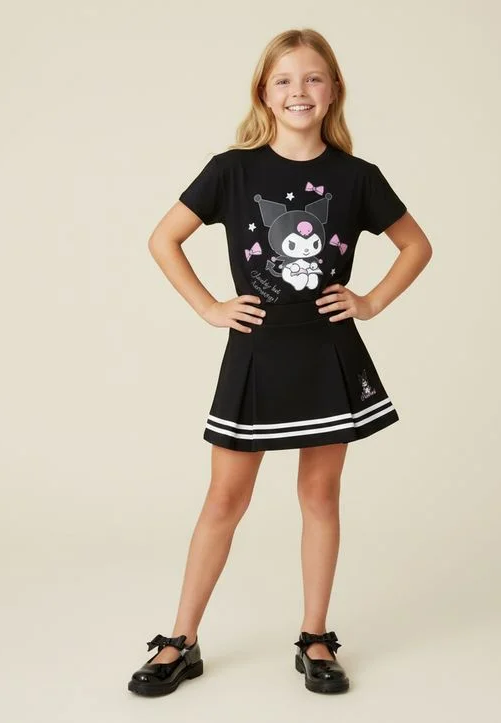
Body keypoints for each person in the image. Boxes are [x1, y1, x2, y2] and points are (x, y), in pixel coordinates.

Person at [127, 27, 432, 697]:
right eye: (285, 80)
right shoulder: (232, 170)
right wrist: (209, 306)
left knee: (320, 496)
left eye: (313, 78)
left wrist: (371, 301)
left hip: (327, 352)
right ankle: (181, 639)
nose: (300, 91)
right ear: (264, 93)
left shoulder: (357, 177)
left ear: (334, 91)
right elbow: (163, 239)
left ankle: (315, 636)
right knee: (223, 500)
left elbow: (416, 245)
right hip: (257, 354)